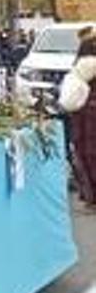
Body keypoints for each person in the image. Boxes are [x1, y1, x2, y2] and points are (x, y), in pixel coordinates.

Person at [59, 31, 96, 210]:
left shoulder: (82, 66)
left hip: (85, 113)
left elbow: (72, 95)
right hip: (88, 112)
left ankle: (91, 197)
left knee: (86, 152)